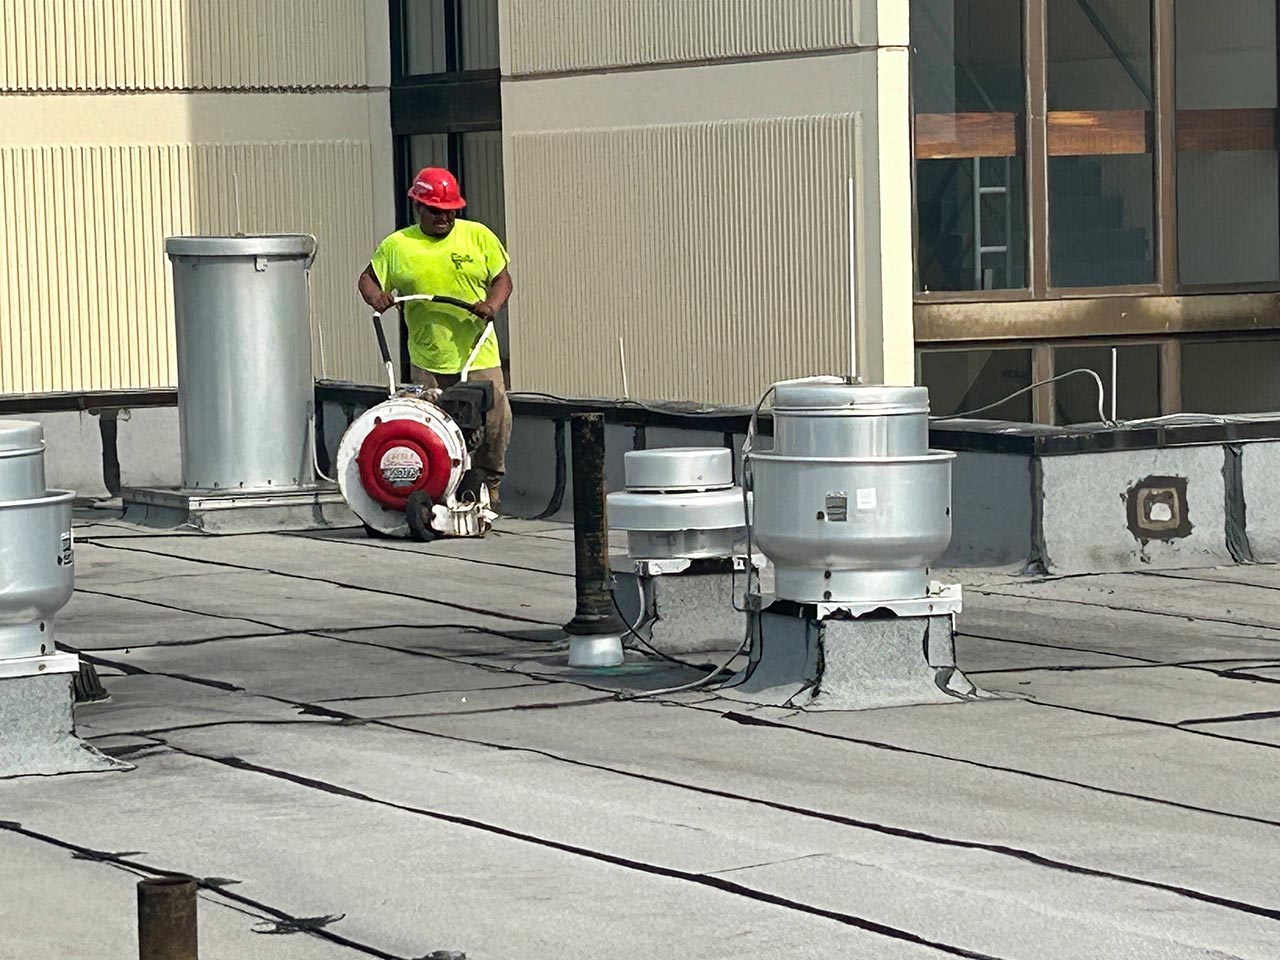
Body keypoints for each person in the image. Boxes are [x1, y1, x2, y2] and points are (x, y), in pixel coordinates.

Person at [358, 167, 514, 509]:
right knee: (431, 427)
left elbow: (503, 280)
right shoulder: (397, 246)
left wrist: (491, 305)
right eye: (435, 211)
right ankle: (436, 486)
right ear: (418, 207)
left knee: (495, 418)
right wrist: (377, 298)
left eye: (450, 211)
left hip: (477, 350)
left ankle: (489, 484)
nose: (444, 217)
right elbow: (367, 280)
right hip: (428, 355)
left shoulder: (479, 237)